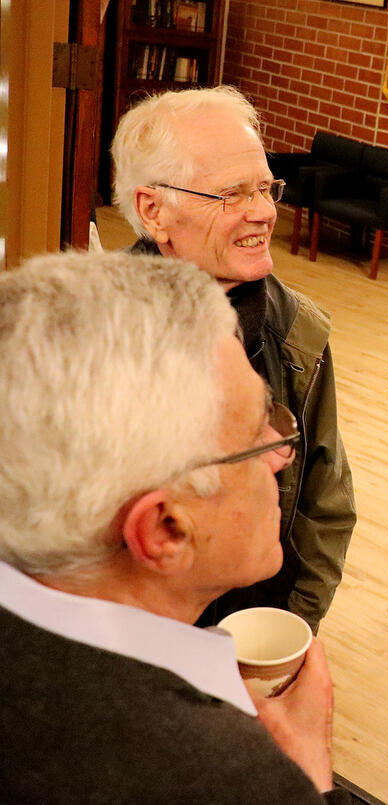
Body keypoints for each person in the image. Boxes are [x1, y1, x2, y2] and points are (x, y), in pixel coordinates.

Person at [0, 252, 346, 802]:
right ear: (166, 531)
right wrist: (308, 776)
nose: (282, 456)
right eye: (259, 435)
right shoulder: (227, 780)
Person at [111, 86, 355, 632]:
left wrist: (296, 624)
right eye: (232, 194)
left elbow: (325, 502)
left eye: (267, 188)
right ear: (155, 211)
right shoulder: (87, 342)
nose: (265, 212)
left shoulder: (299, 333)